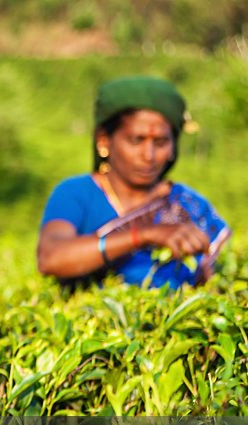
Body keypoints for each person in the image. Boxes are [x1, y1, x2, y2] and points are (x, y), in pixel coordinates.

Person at [37, 76, 231, 289]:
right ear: (104, 140)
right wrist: (144, 234)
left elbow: (216, 281)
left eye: (161, 142)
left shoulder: (189, 205)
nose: (149, 155)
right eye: (136, 140)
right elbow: (51, 258)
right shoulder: (76, 194)